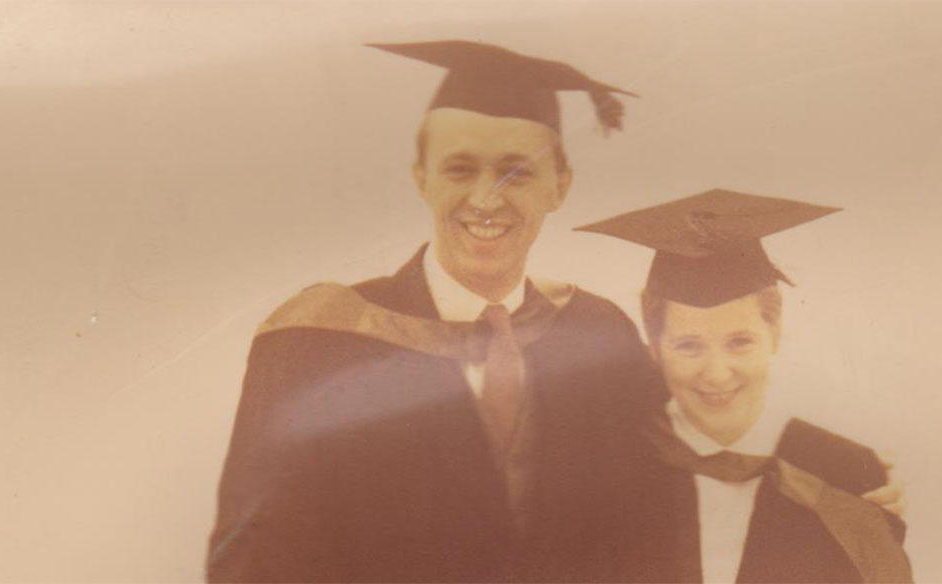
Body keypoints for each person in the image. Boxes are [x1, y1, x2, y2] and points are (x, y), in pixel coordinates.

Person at [205, 40, 654, 583]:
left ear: (560, 186)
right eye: (460, 169)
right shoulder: (315, 342)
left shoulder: (600, 338)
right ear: (422, 179)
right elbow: (254, 562)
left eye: (517, 171)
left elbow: (642, 544)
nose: (486, 200)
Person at [578, 189, 913, 583]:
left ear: (773, 331)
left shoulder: (843, 472)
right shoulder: (609, 472)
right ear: (654, 346)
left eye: (740, 342)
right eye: (689, 346)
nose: (717, 373)